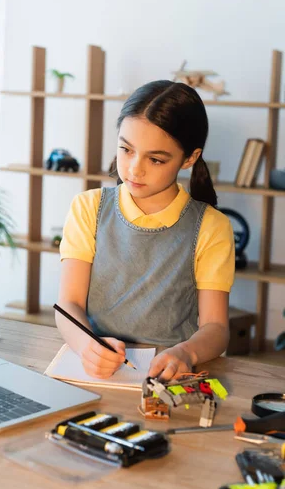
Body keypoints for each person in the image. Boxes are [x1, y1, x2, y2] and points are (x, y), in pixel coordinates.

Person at [56, 80, 235, 381]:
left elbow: (216, 329)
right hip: (97, 371)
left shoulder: (211, 227)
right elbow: (68, 303)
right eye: (126, 149)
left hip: (166, 378)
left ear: (189, 158)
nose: (134, 169)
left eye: (155, 159)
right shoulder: (87, 208)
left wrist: (186, 353)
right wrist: (87, 345)